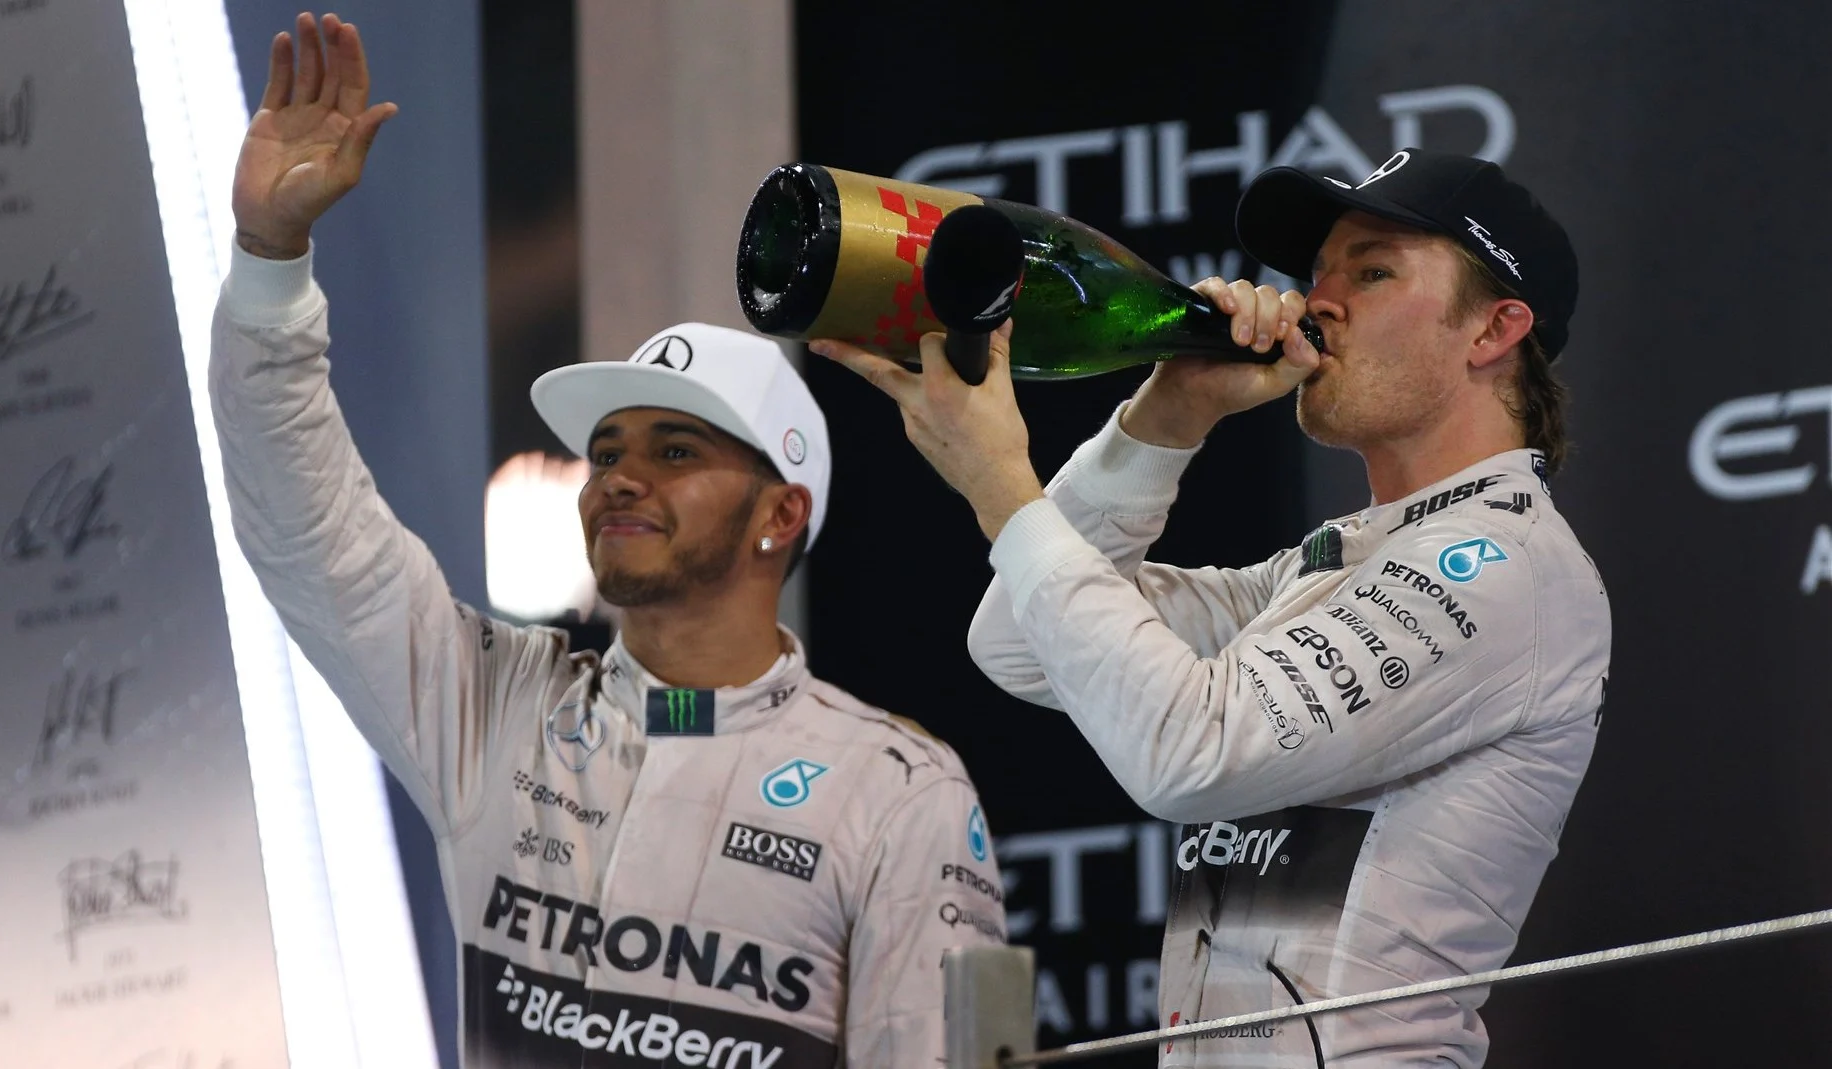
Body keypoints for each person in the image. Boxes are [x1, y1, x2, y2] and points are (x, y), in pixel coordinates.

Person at [214, 13, 1005, 1068]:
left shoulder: (897, 790)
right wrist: (271, 258)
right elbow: (305, 524)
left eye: (676, 451)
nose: (620, 476)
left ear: (781, 516)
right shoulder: (496, 710)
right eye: (606, 449)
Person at [812, 148, 1610, 1067]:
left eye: (1373, 270)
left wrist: (1001, 483)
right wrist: (1165, 420)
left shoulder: (1504, 564)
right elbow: (1016, 643)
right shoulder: (1335, 561)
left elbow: (1190, 755)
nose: (1320, 301)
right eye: (1319, 274)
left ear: (1494, 329)